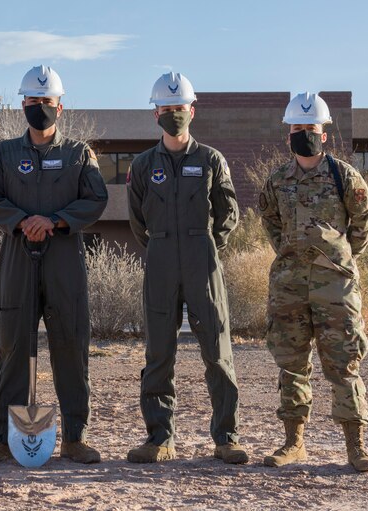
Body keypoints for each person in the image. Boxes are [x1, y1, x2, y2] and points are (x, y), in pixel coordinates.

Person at [0, 65, 108, 464]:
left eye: (46, 102)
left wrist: (53, 220)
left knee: (71, 346)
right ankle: (3, 438)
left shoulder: (79, 154)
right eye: (33, 102)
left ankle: (75, 437)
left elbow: (96, 199)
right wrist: (22, 221)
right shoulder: (4, 153)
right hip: (18, 254)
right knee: (13, 347)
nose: (40, 108)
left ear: (60, 107)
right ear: (22, 105)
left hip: (64, 254)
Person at [126, 72, 247, 464]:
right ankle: (159, 437)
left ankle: (226, 437)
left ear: (192, 111)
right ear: (155, 113)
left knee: (217, 350)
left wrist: (207, 246)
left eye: (180, 109)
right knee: (159, 354)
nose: (174, 114)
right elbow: (136, 220)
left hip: (202, 260)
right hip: (160, 260)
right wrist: (162, 245)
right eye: (167, 109)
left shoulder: (211, 159)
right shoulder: (143, 165)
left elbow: (229, 214)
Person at [259, 92, 368, 472]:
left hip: (335, 288)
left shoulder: (346, 176)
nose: (304, 134)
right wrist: (293, 256)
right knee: (292, 364)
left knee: (344, 364)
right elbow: (272, 223)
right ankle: (293, 442)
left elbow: (362, 228)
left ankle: (355, 447)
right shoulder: (278, 180)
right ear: (287, 134)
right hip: (289, 286)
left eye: (310, 128)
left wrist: (338, 259)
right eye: (297, 128)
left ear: (324, 133)